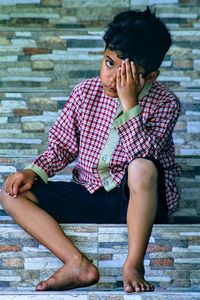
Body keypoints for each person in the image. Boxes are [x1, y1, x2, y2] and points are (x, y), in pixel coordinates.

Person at [0, 7, 181, 293]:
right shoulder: (85, 92)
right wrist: (34, 171)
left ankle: (133, 264)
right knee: (12, 194)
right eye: (109, 64)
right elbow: (62, 146)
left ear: (150, 76)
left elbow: (145, 156)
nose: (112, 79)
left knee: (142, 167)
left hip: (135, 200)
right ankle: (76, 263)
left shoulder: (165, 103)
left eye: (126, 74)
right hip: (89, 191)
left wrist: (129, 103)